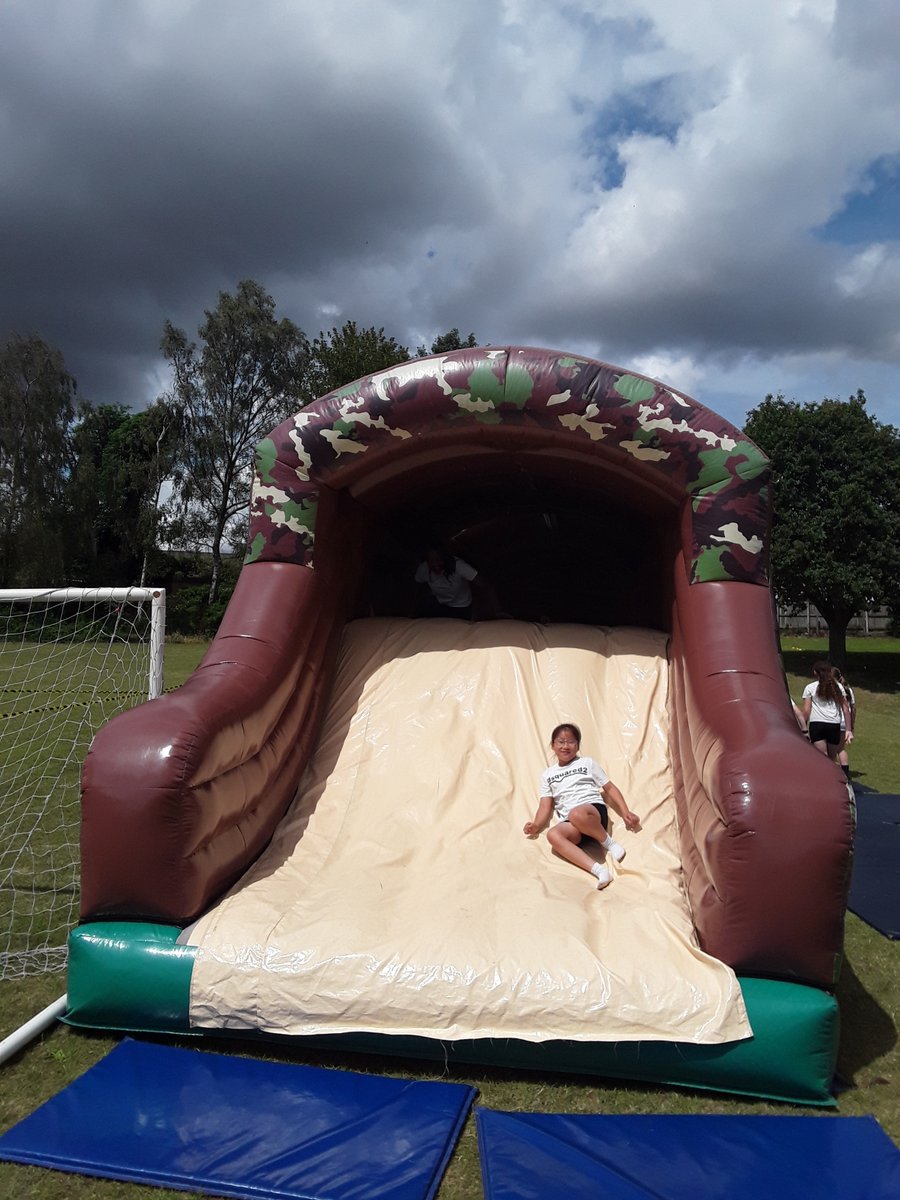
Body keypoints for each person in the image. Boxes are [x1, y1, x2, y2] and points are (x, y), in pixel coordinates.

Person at [523, 722, 640, 890]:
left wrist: (625, 811)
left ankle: (610, 844)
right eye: (561, 742)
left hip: (592, 813)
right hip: (573, 825)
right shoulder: (548, 775)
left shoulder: (587, 763)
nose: (565, 746)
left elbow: (609, 787)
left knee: (576, 813)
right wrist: (536, 825)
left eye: (571, 742)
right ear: (553, 745)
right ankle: (600, 871)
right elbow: (545, 805)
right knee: (553, 835)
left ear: (578, 746)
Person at [801, 660, 853, 763]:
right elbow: (846, 709)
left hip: (817, 724)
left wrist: (803, 727)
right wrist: (848, 729)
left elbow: (806, 711)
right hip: (833, 724)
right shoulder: (838, 687)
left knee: (822, 758)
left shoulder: (810, 688)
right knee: (832, 758)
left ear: (815, 672)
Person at [414, 546, 481, 620]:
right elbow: (418, 585)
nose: (436, 563)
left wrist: (479, 607)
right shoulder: (423, 568)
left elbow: (481, 583)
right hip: (439, 602)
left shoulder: (458, 565)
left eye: (438, 559)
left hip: (460, 605)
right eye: (431, 561)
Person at [833, 666, 856, 782]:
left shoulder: (833, 689)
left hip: (835, 719)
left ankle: (833, 771)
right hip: (844, 722)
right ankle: (845, 772)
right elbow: (853, 708)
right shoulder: (848, 690)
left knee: (832, 748)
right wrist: (851, 725)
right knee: (841, 749)